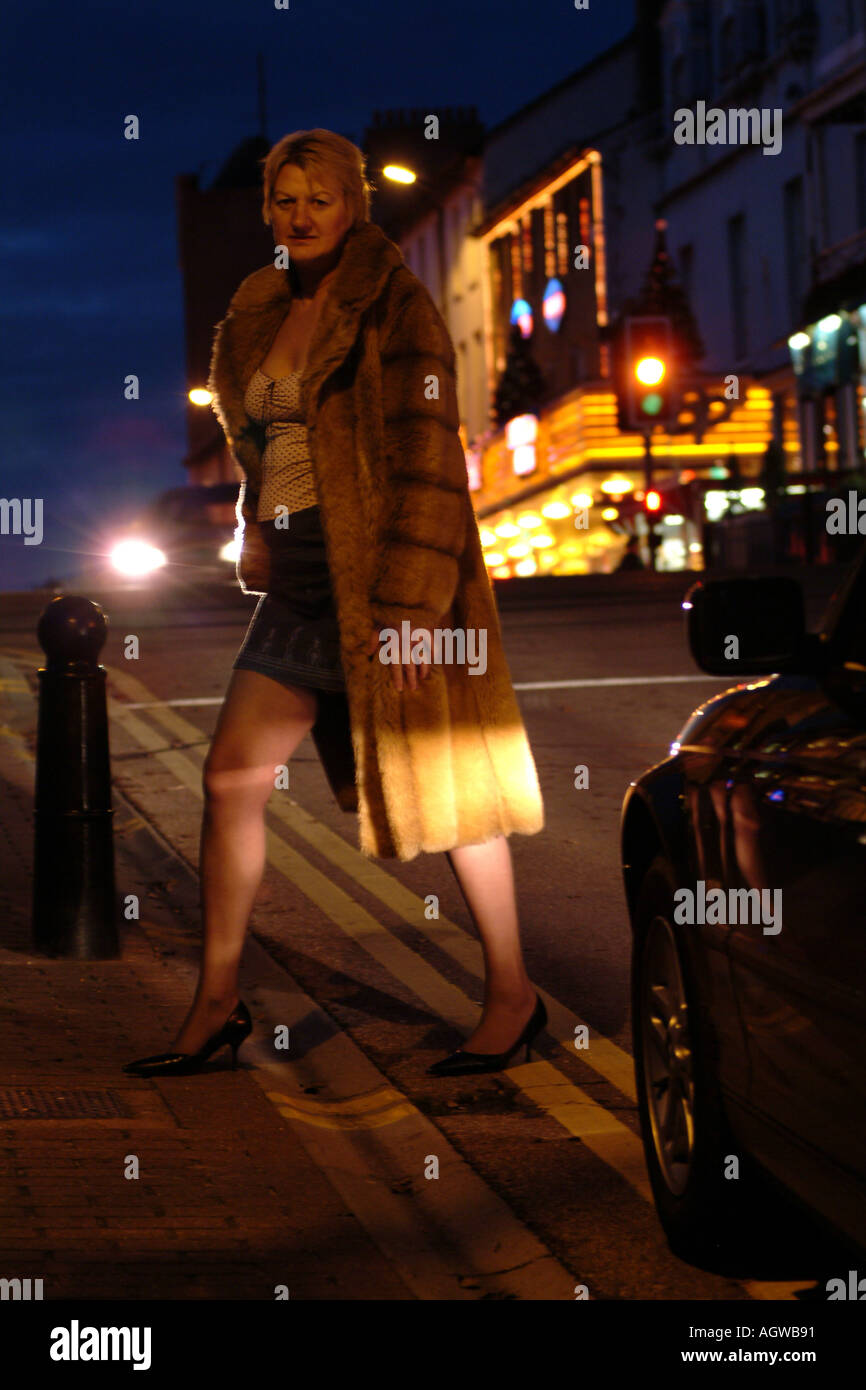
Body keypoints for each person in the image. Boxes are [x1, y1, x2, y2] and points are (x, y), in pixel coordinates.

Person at [124, 129, 546, 1081]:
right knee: (232, 777)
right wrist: (261, 526)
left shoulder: (395, 305)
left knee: (449, 789)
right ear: (268, 213)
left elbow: (432, 456)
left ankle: (513, 996)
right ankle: (217, 1004)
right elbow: (261, 444)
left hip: (389, 575)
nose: (300, 215)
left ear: (352, 205)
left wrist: (407, 604)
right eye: (284, 200)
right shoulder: (262, 310)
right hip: (305, 577)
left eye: (319, 198)